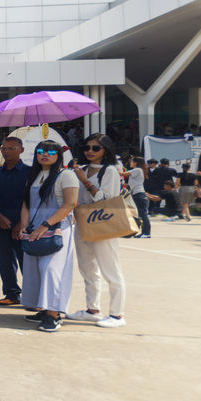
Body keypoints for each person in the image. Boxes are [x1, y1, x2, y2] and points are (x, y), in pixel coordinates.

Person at [18, 140, 80, 332]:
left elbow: (70, 204)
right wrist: (24, 226)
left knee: (52, 269)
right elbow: (26, 204)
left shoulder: (66, 175)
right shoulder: (33, 176)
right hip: (34, 229)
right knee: (34, 269)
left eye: (52, 151)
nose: (46, 154)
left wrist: (45, 226)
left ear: (59, 155)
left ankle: (54, 314)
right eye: (41, 151)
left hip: (57, 228)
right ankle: (42, 309)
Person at [68, 134, 127, 328]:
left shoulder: (110, 171)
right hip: (82, 222)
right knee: (87, 268)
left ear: (106, 150)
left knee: (110, 269)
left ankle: (117, 314)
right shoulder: (82, 169)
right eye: (87, 148)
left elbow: (107, 199)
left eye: (96, 148)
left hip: (103, 223)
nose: (90, 152)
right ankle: (92, 309)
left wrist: (85, 181)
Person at [0, 136, 30, 304]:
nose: (6, 152)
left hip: (25, 224)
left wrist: (21, 224)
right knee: (5, 260)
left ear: (21, 150)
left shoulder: (30, 173)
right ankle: (11, 294)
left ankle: (33, 296)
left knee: (27, 261)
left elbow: (33, 199)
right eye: (4, 148)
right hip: (2, 222)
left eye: (11, 148)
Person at [125, 156, 152, 238]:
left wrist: (114, 168)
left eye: (131, 161)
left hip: (139, 195)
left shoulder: (137, 170)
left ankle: (146, 233)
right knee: (138, 214)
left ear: (135, 163)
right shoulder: (137, 170)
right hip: (137, 194)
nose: (130, 163)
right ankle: (139, 231)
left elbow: (124, 173)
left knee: (143, 214)